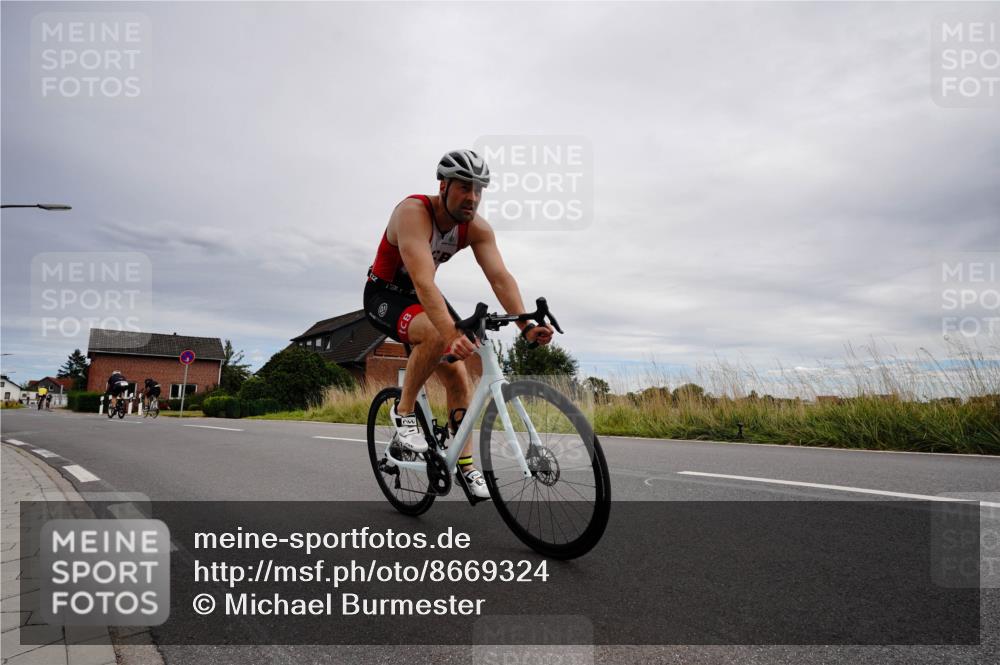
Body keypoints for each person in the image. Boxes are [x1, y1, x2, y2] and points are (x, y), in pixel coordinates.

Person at [363, 149, 554, 499]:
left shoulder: (475, 228)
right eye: (465, 187)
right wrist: (451, 334)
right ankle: (403, 413)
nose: (473, 197)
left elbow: (499, 276)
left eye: (479, 189)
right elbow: (422, 281)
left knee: (458, 372)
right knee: (439, 336)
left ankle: (464, 462)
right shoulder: (412, 213)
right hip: (385, 295)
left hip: (424, 296)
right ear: (444, 185)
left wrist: (525, 323)